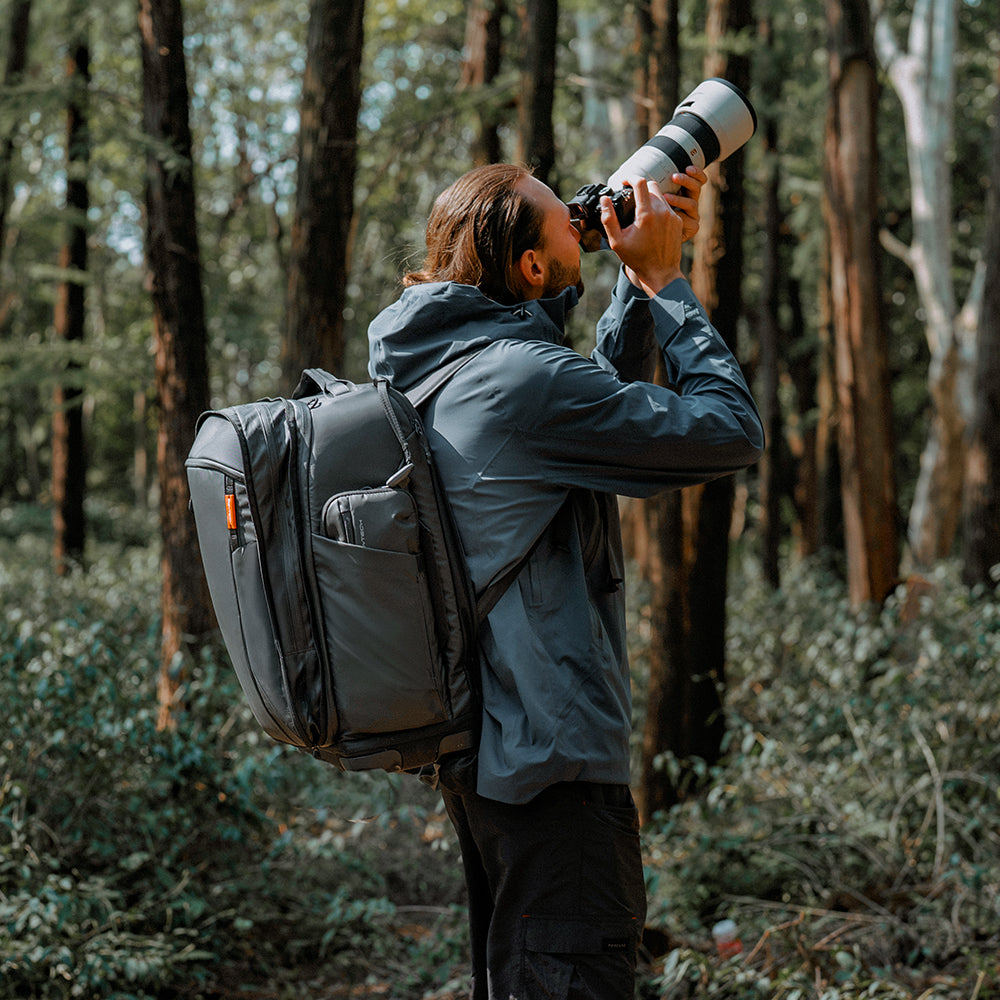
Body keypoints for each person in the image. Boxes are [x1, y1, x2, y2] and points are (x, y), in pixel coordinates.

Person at [367, 162, 764, 1000]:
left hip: (492, 761)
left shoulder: (440, 368)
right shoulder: (522, 379)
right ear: (532, 270)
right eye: (563, 215)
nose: (582, 211)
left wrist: (625, 277)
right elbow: (730, 431)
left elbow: (587, 403)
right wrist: (665, 281)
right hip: (557, 778)